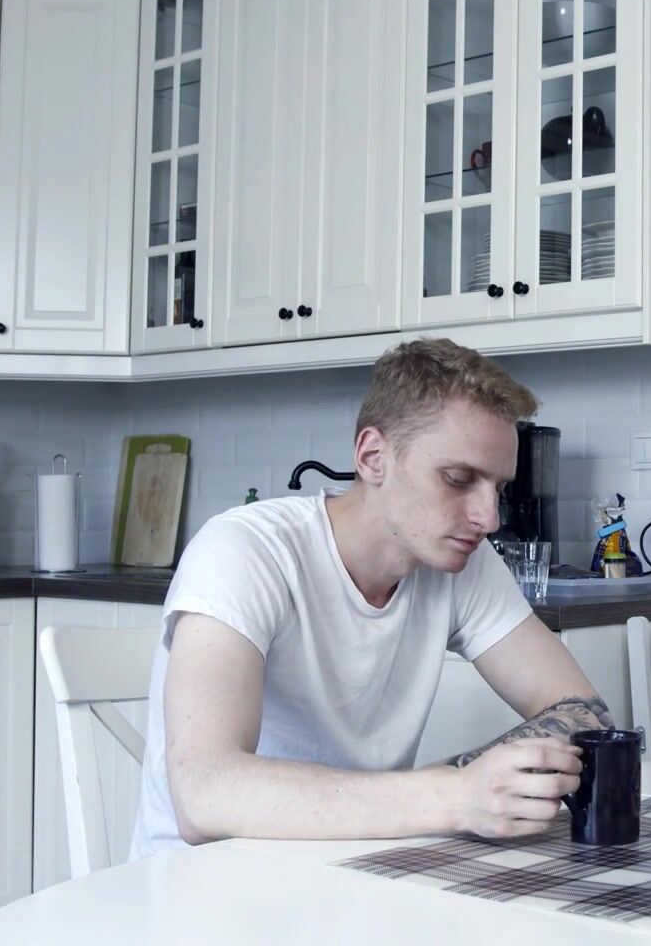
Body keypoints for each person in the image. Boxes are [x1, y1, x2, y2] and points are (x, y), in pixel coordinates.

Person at [130, 338, 613, 858]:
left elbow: (584, 712)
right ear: (372, 457)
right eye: (458, 479)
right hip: (207, 883)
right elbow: (204, 796)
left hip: (360, 863)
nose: (489, 518)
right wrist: (453, 794)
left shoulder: (462, 563)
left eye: (498, 489)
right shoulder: (246, 552)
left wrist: (468, 787)